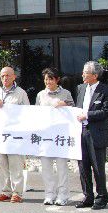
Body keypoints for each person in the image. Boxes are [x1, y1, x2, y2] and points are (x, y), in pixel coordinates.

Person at [75, 61, 108, 210]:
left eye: (86, 72)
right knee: (83, 166)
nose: (83, 75)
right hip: (81, 133)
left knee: (98, 167)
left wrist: (87, 115)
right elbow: (77, 109)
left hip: (97, 134)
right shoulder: (80, 88)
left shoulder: (106, 90)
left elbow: (106, 112)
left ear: (95, 75)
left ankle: (102, 197)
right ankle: (88, 197)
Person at [0, 66, 30, 203]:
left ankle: (17, 193)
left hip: (15, 135)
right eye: (2, 76)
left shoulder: (21, 93)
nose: (5, 78)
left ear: (14, 77)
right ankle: (6, 191)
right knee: (2, 164)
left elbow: (28, 113)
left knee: (16, 164)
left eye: (7, 75)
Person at [35, 68, 74, 206]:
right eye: (46, 79)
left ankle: (63, 194)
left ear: (57, 80)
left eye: (50, 79)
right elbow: (36, 114)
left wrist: (65, 105)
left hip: (61, 135)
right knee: (46, 167)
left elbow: (74, 111)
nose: (48, 82)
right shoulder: (40, 95)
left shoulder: (66, 93)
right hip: (45, 136)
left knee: (62, 166)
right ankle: (49, 194)